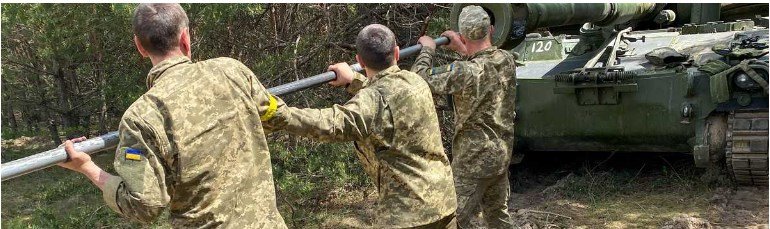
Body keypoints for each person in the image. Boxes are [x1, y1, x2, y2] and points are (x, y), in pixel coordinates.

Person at [57, 4, 287, 228]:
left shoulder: (141, 118)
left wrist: (86, 166)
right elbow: (286, 117)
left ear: (140, 46)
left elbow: (143, 206)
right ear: (186, 37)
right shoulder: (231, 71)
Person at [262, 24, 457, 228]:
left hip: (407, 217)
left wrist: (274, 111)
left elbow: (330, 123)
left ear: (360, 60)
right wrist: (352, 80)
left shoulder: (373, 99)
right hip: (443, 203)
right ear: (397, 53)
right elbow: (384, 97)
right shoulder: (415, 81)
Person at [411, 5, 517, 229]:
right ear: (490, 29)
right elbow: (482, 64)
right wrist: (462, 47)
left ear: (462, 35)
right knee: (498, 216)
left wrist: (427, 49)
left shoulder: (462, 71)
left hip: (473, 161)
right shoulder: (506, 60)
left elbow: (417, 80)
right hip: (500, 155)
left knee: (451, 220)